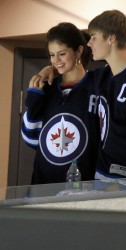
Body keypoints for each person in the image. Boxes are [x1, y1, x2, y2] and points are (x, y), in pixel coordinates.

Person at [35, 10, 126, 189]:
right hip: (102, 176)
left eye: (94, 37)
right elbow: (74, 75)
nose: (89, 42)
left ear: (111, 39)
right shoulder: (104, 76)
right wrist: (49, 69)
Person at [21, 22, 100, 184]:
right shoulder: (46, 89)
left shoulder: (98, 85)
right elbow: (31, 138)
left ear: (79, 50)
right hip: (44, 186)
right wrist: (35, 98)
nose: (56, 60)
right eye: (52, 55)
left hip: (86, 187)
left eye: (62, 54)